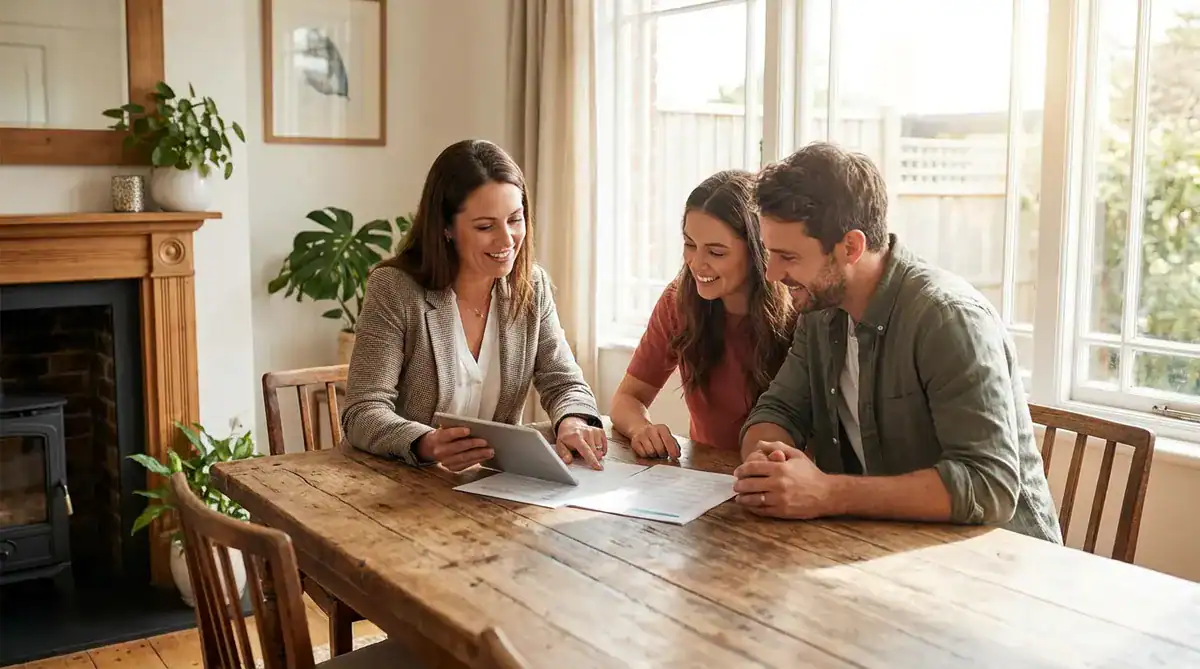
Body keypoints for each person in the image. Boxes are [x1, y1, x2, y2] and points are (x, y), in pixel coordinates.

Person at [734, 142, 1062, 543]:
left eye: (788, 256)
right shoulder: (820, 310)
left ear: (850, 247)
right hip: (886, 548)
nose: (772, 274)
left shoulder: (948, 319)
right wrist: (769, 462)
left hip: (1003, 568)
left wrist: (827, 492)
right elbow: (779, 410)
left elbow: (987, 485)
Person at [341, 139, 608, 472]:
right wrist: (425, 443)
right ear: (446, 228)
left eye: (515, 219)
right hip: (403, 485)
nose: (507, 240)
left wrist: (572, 420)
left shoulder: (531, 286)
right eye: (486, 226)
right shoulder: (395, 289)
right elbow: (363, 411)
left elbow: (564, 382)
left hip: (493, 488)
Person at [610, 170, 795, 456]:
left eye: (716, 252)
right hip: (704, 474)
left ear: (757, 252)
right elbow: (628, 397)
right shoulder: (678, 301)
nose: (696, 264)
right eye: (689, 245)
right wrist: (641, 429)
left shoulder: (797, 311)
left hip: (778, 475)